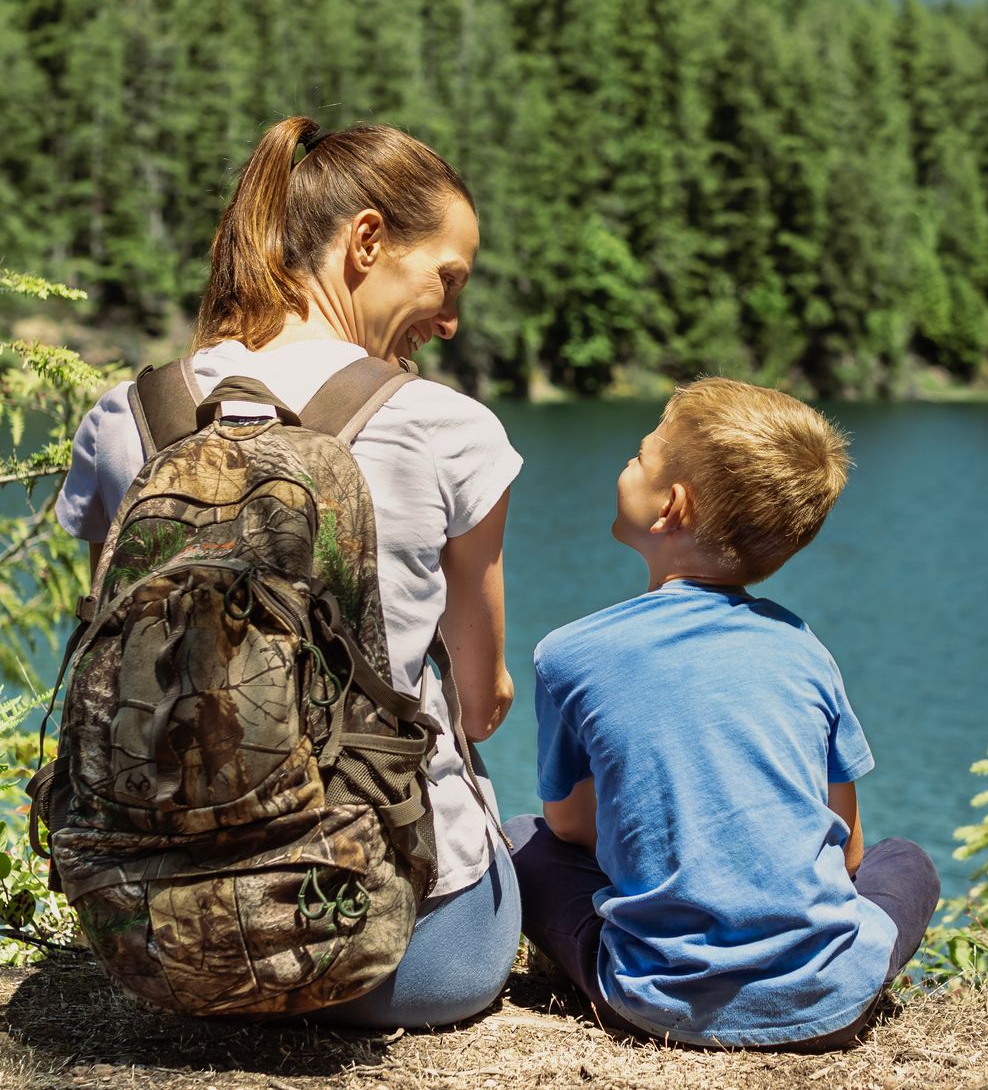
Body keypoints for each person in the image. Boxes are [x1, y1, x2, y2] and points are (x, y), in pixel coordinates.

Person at [55, 116, 522, 1028]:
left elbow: (113, 647)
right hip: (403, 956)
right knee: (530, 839)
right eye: (448, 277)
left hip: (154, 941)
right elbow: (479, 704)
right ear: (368, 240)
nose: (452, 316)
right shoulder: (450, 429)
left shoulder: (128, 416)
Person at [509, 378, 940, 1050]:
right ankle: (830, 969)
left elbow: (570, 826)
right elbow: (850, 849)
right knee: (904, 859)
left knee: (520, 836)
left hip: (653, 1004)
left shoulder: (569, 654)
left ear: (669, 506)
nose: (628, 463)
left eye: (640, 455)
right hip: (832, 1003)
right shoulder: (804, 652)